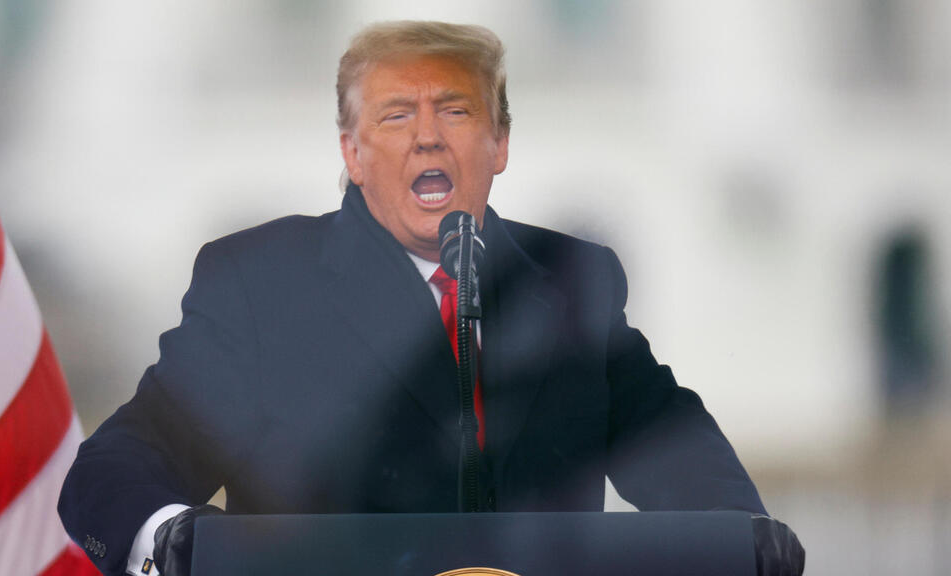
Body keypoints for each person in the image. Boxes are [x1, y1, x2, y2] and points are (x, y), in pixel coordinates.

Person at [58, 21, 804, 576]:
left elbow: (678, 455)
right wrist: (170, 541)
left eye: (455, 111)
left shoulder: (574, 282)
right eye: (395, 115)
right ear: (352, 152)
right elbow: (118, 467)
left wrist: (746, 540)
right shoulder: (261, 284)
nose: (427, 138)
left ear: (499, 143)